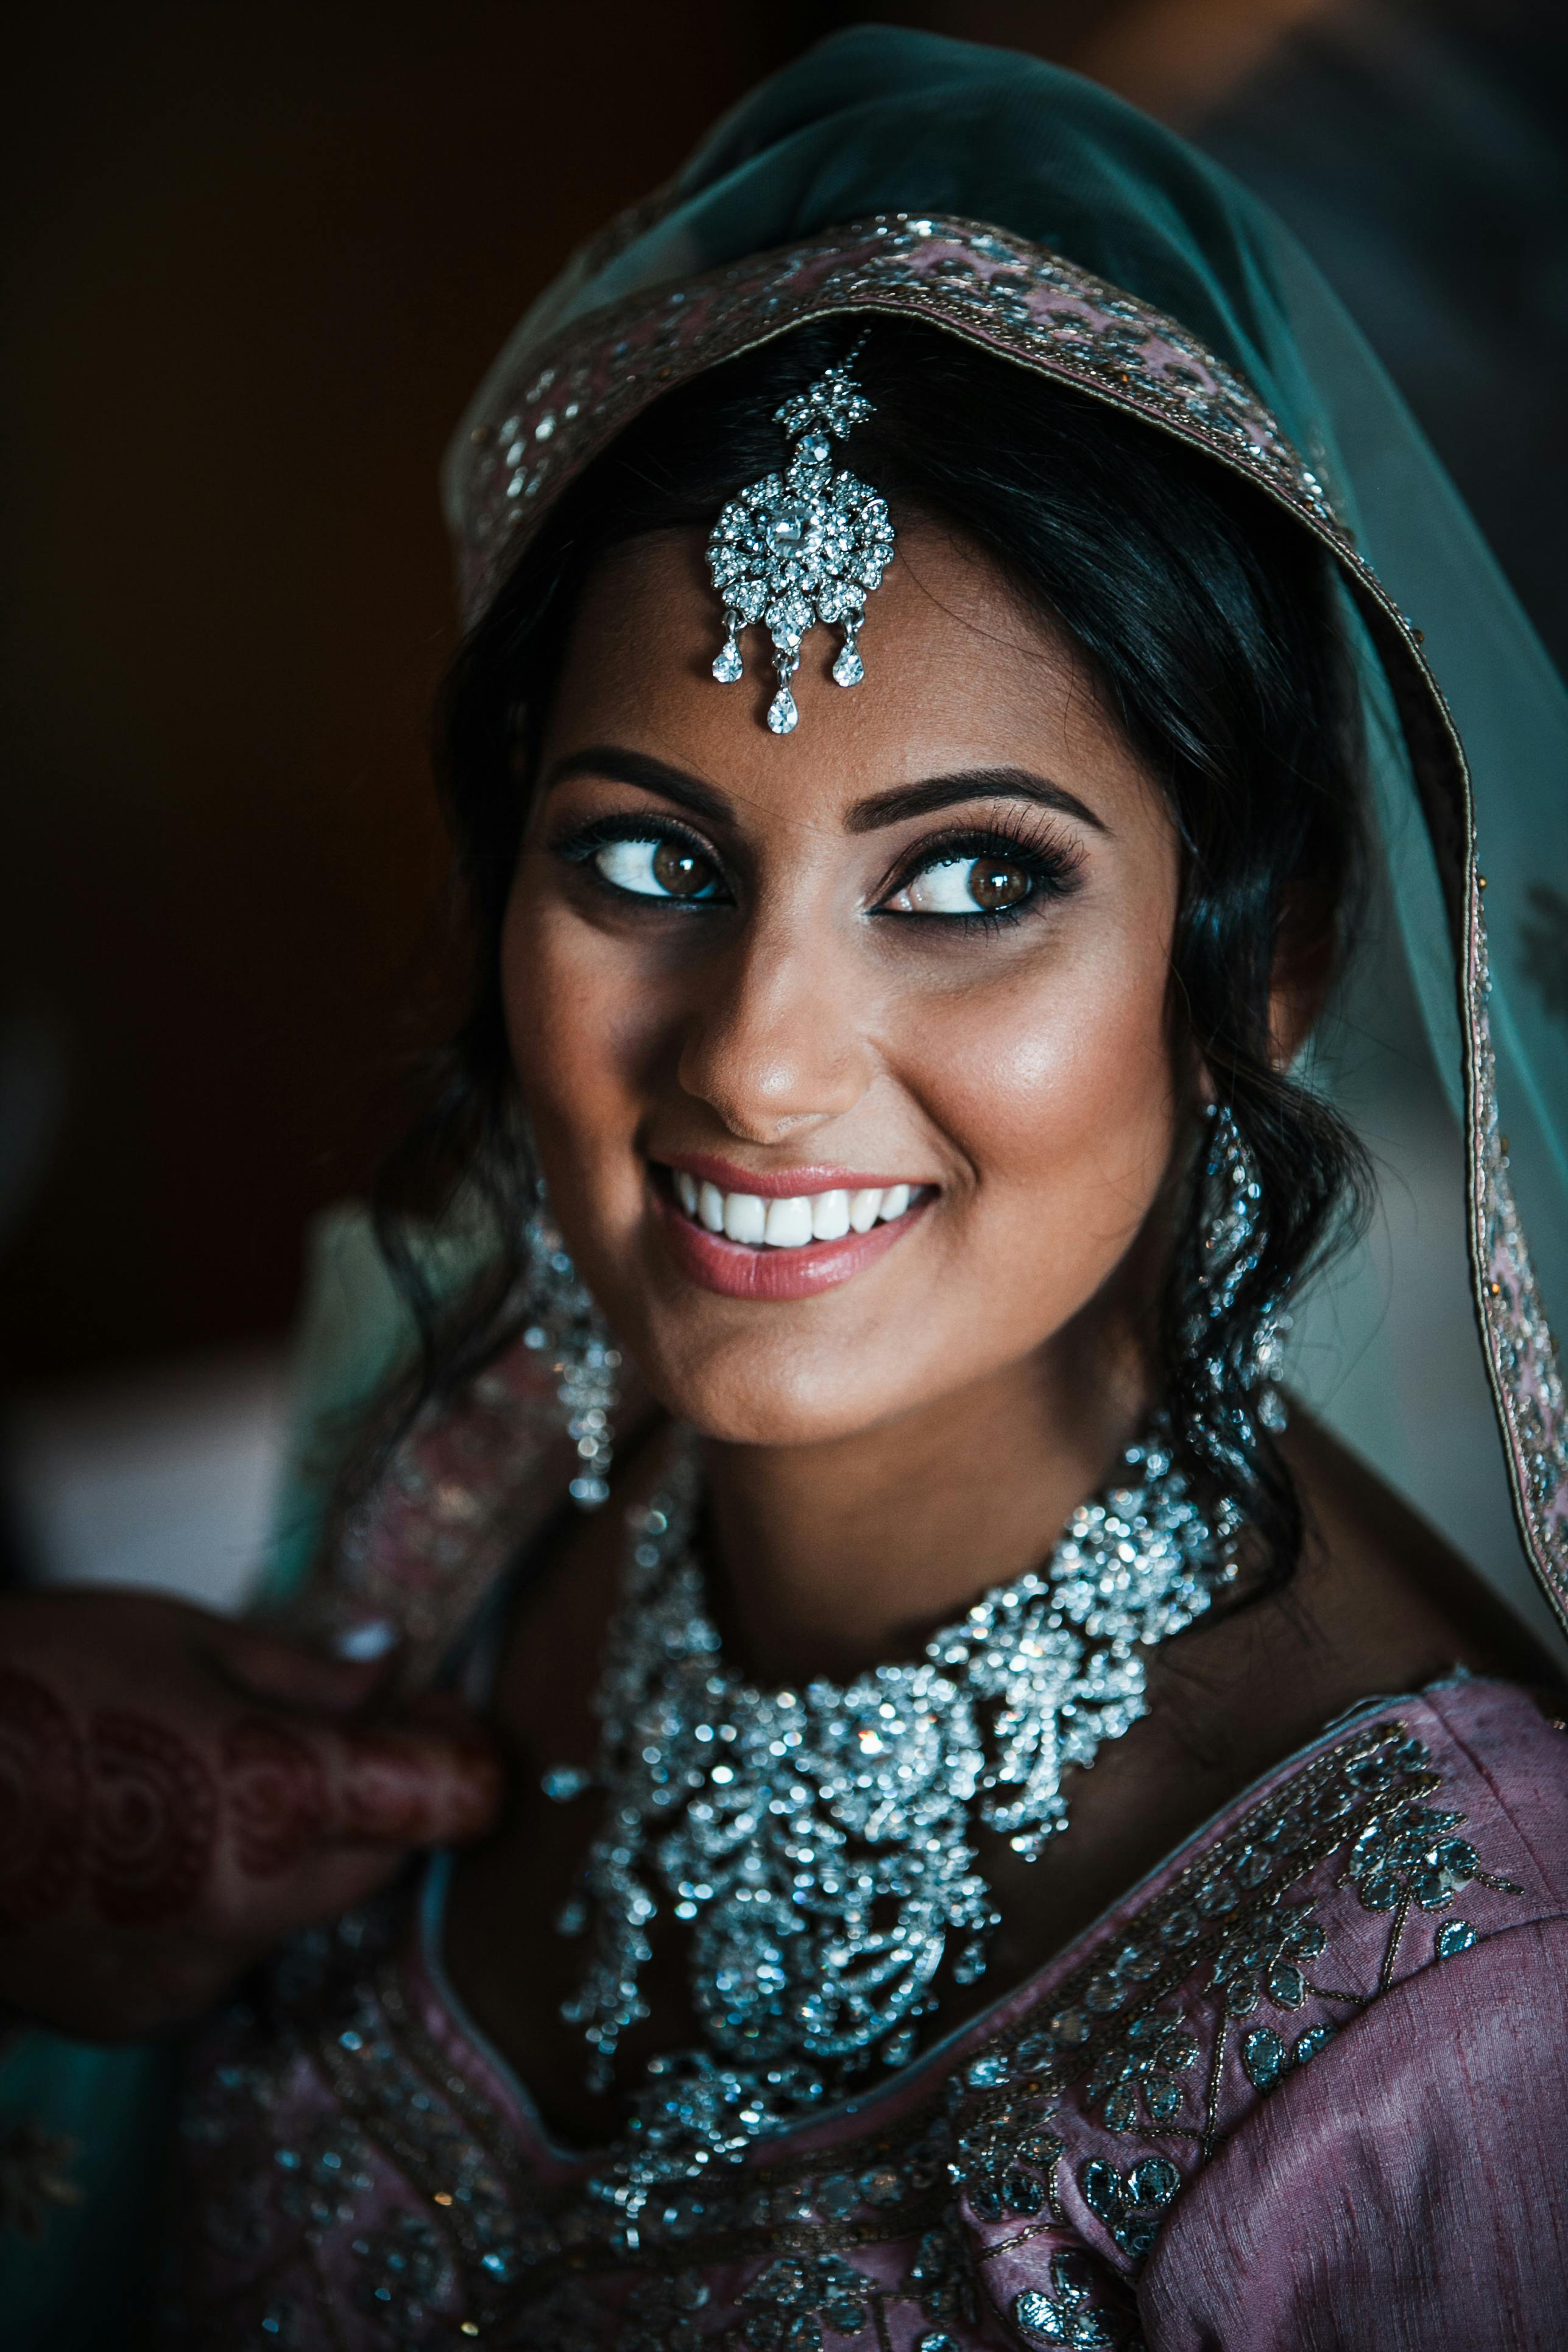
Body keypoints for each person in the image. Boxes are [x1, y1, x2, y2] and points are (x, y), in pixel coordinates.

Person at [4, 26, 1567, 2350]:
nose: (750, 1061)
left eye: (968, 884)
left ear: (1269, 958)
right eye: (645, 856)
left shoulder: (1455, 2029)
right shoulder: (488, 1455)